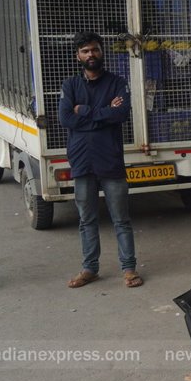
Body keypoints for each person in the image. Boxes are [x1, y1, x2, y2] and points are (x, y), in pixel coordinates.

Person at [58, 31, 141, 288]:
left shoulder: (117, 83)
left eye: (94, 49)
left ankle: (129, 270)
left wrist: (84, 111)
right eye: (85, 51)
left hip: (110, 161)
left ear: (101, 52)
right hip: (82, 162)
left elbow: (121, 114)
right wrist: (104, 113)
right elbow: (65, 119)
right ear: (78, 56)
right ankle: (89, 269)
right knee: (87, 220)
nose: (90, 54)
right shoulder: (70, 85)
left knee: (121, 220)